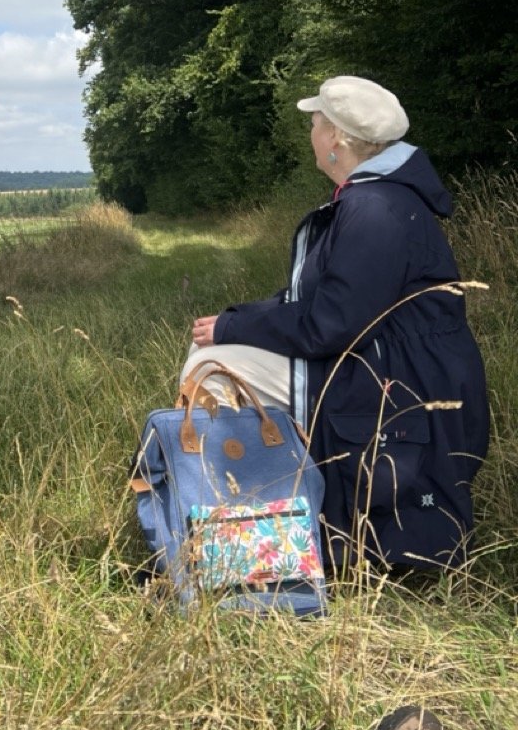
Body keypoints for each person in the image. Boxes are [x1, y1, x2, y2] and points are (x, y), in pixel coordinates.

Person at [183, 75, 489, 570]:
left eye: (315, 124)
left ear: (336, 140)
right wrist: (235, 319)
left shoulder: (375, 210)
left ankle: (255, 540)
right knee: (210, 353)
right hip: (382, 357)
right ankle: (250, 525)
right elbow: (319, 302)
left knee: (210, 370)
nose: (311, 134)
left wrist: (232, 330)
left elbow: (331, 326)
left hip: (398, 375)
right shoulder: (374, 198)